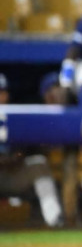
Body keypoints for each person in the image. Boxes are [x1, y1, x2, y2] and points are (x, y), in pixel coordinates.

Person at [0, 73, 64, 228]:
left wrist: (17, 157)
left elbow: (24, 149)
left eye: (2, 91)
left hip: (11, 172)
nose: (2, 96)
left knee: (38, 164)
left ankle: (54, 218)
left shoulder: (16, 115)